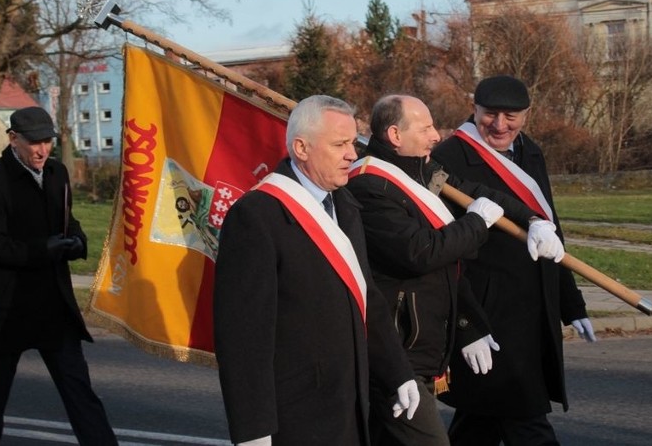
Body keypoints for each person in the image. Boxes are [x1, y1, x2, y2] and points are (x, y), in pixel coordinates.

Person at [346, 94, 564, 446]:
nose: (436, 135)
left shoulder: (422, 169)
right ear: (395, 135)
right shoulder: (370, 185)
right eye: (427, 127)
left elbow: (479, 194)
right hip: (397, 346)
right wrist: (477, 223)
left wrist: (534, 220)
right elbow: (422, 253)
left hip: (425, 342)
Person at [214, 95, 420, 446]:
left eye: (353, 144)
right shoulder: (257, 217)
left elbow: (365, 298)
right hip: (295, 417)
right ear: (301, 148)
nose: (352, 155)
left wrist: (398, 372)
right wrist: (253, 430)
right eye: (340, 144)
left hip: (349, 405)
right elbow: (244, 336)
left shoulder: (345, 205)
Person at [431, 75, 595, 446]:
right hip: (488, 308)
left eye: (511, 116)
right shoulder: (449, 157)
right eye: (490, 114)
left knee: (481, 419)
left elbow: (551, 229)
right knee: (523, 415)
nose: (500, 125)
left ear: (527, 115)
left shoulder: (530, 151)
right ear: (475, 109)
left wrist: (572, 304)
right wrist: (466, 324)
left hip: (533, 304)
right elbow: (443, 249)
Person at [0, 106, 117, 446]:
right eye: (34, 142)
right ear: (13, 139)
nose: (42, 150)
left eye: (47, 142)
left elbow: (67, 219)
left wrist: (77, 240)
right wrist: (41, 249)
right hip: (7, 306)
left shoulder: (57, 173)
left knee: (80, 391)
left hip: (54, 305)